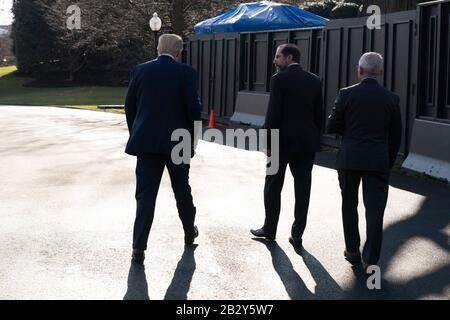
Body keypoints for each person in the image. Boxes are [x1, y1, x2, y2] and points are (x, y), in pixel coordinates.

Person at [125, 34, 202, 264]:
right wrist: (191, 141)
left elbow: (130, 106)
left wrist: (136, 132)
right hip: (178, 142)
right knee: (182, 190)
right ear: (179, 52)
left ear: (158, 49)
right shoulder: (187, 73)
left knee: (145, 196)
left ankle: (139, 247)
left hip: (147, 142)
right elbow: (194, 110)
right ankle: (189, 232)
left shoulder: (140, 70)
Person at [327, 52, 402, 272]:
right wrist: (386, 162)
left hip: (350, 158)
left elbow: (332, 126)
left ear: (360, 71)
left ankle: (352, 250)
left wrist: (349, 134)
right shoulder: (391, 98)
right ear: (380, 72)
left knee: (349, 205)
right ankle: (371, 258)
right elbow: (396, 136)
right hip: (378, 160)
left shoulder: (346, 94)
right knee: (375, 210)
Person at [251, 44, 323, 249]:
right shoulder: (315, 80)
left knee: (272, 185)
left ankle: (269, 229)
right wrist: (315, 139)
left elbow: (273, 113)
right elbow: (319, 113)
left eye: (277, 56)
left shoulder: (279, 80)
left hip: (280, 142)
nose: (274, 60)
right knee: (303, 189)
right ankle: (297, 234)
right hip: (306, 143)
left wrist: (267, 141)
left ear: (289, 58)